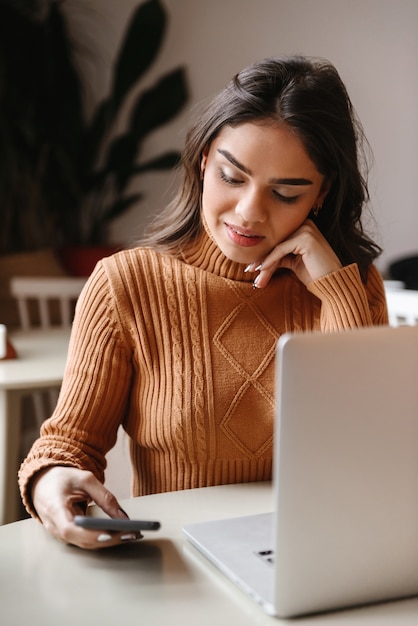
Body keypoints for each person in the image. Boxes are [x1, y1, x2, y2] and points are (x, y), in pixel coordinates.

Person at [19, 55, 388, 549]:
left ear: (320, 196)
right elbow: (68, 445)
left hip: (321, 554)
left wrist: (334, 291)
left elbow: (372, 454)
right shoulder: (126, 283)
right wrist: (51, 484)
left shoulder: (353, 286)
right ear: (202, 162)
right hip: (182, 566)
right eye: (232, 177)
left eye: (284, 194)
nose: (249, 213)